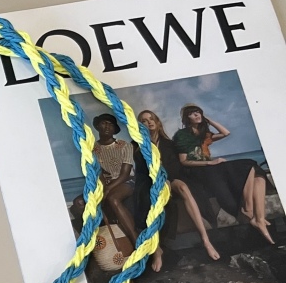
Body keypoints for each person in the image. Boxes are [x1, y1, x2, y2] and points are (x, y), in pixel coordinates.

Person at [173, 104, 274, 245]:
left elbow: (226, 133)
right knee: (248, 164)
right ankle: (248, 209)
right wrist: (210, 162)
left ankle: (259, 218)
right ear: (186, 118)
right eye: (192, 113)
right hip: (197, 171)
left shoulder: (204, 135)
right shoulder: (182, 135)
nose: (196, 115)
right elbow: (184, 161)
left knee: (256, 171)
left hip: (210, 167)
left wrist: (208, 119)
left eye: (198, 112)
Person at [134, 110, 220, 261]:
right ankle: (157, 249)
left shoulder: (169, 144)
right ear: (141, 126)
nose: (149, 122)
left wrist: (166, 177)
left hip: (171, 178)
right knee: (150, 199)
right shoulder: (139, 146)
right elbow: (141, 172)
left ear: (157, 122)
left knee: (183, 187)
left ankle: (206, 240)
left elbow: (176, 167)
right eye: (144, 121)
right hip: (150, 182)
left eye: (151, 119)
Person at [93, 113, 162, 271]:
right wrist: (102, 187)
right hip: (105, 184)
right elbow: (97, 173)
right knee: (80, 203)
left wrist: (107, 189)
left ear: (115, 129)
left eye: (110, 124)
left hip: (126, 182)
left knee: (113, 199)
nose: (107, 126)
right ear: (97, 126)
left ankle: (135, 238)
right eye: (103, 123)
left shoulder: (125, 146)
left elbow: (125, 174)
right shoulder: (93, 149)